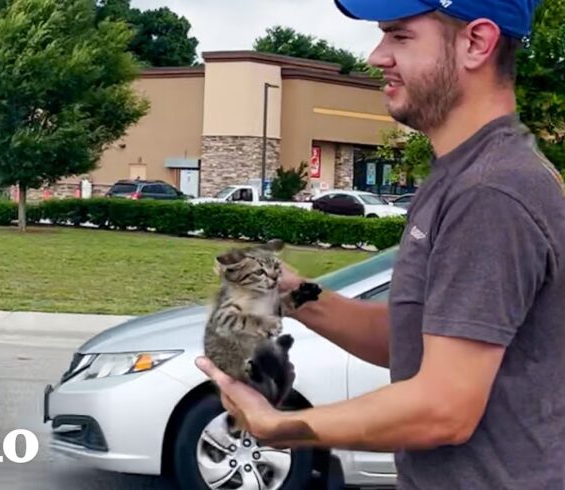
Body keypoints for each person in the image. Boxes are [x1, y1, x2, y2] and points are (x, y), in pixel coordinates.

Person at [195, 1, 565, 488]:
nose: (376, 56)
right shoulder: (461, 175)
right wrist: (290, 291)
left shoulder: (490, 191)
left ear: (477, 42)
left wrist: (278, 426)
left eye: (400, 36)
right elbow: (408, 339)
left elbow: (443, 410)